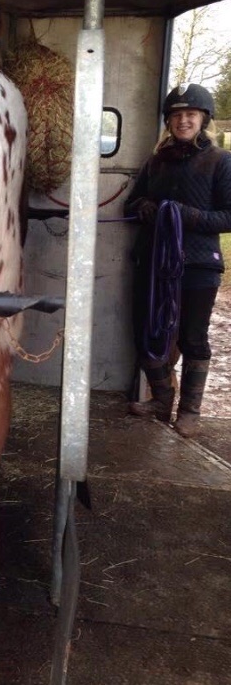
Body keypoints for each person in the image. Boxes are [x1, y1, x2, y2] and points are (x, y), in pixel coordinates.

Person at [123, 82, 231, 438]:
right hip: (154, 262)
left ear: (203, 119)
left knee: (192, 337)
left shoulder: (221, 162)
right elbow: (131, 203)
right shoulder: (156, 162)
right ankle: (161, 400)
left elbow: (228, 216)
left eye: (190, 114)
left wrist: (183, 215)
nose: (183, 121)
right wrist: (145, 208)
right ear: (169, 122)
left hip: (198, 265)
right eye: (177, 115)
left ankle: (189, 412)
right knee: (148, 331)